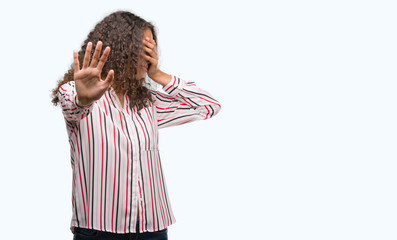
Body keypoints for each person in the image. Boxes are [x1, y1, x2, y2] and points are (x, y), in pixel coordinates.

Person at [51, 10, 221, 240]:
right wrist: (85, 98)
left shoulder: (148, 102)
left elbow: (208, 105)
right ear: (120, 49)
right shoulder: (76, 93)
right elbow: (74, 107)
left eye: (152, 50)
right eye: (141, 50)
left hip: (152, 230)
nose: (148, 57)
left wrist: (159, 75)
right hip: (99, 231)